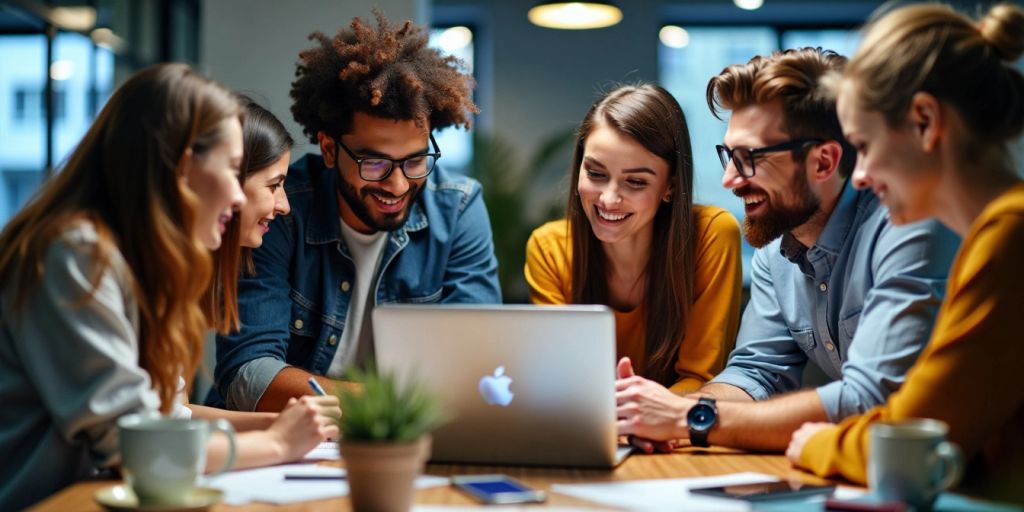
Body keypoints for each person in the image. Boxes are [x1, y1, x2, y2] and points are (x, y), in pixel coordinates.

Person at [0, 64, 337, 510]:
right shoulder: (75, 254)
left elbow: (165, 415)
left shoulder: (131, 264)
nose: (237, 197)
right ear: (184, 168)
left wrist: (279, 427)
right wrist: (276, 444)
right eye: (233, 170)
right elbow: (135, 442)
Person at [615, 47, 960, 452]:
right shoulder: (776, 252)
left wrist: (687, 418)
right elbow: (755, 374)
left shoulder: (908, 225)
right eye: (729, 156)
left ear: (824, 162)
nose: (729, 180)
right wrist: (664, 415)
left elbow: (874, 399)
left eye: (749, 158)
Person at [787, 3, 1024, 500]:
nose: (861, 175)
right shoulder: (997, 231)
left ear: (924, 121)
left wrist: (821, 444)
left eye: (865, 145)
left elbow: (915, 433)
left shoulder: (1010, 236)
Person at [209, 12, 502, 413]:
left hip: (404, 438)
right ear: (330, 149)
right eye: (375, 164)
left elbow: (477, 365)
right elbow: (248, 374)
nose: (398, 185)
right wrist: (385, 405)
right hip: (280, 444)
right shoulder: (278, 210)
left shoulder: (458, 208)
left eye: (415, 161)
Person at [525, 84, 743, 397]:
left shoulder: (712, 234)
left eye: (636, 182)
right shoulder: (549, 247)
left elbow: (701, 378)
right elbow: (563, 381)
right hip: (593, 429)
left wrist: (640, 415)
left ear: (670, 186)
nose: (610, 199)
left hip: (679, 430)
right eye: (596, 173)